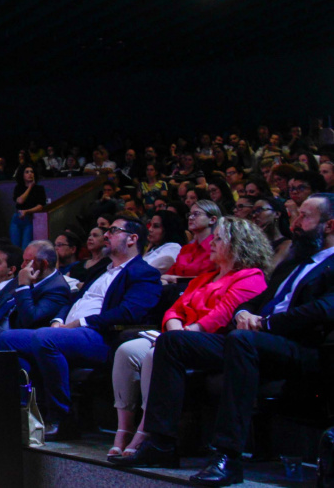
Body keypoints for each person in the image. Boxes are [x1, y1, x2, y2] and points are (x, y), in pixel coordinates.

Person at [111, 194, 334, 487]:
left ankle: (228, 456)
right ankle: (162, 444)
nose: (295, 223)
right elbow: (260, 300)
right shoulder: (296, 261)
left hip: (299, 346)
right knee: (172, 342)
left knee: (241, 340)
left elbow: (323, 309)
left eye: (305, 217)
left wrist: (266, 322)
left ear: (329, 225)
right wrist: (244, 312)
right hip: (258, 337)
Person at [107, 217, 272, 458]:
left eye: (218, 239)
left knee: (156, 352)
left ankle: (146, 431)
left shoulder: (250, 277)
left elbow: (223, 315)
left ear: (240, 244)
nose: (211, 243)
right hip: (179, 336)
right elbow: (175, 309)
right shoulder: (205, 277)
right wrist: (175, 331)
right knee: (127, 351)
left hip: (215, 342)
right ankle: (123, 429)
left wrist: (183, 335)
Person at [0, 217, 161, 439]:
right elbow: (72, 301)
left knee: (45, 339)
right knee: (8, 339)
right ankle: (31, 409)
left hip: (101, 336)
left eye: (113, 230)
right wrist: (58, 320)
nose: (106, 235)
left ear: (132, 239)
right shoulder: (101, 269)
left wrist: (80, 323)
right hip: (70, 330)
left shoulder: (144, 272)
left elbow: (130, 312)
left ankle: (62, 418)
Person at [162, 200, 222, 284]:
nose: (190, 217)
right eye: (190, 214)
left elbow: (211, 279)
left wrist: (174, 279)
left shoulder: (217, 248)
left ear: (212, 219)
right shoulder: (186, 249)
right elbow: (168, 274)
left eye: (196, 214)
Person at [10, 165, 47, 248]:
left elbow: (40, 206)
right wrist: (30, 187)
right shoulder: (18, 188)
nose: (30, 174)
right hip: (17, 218)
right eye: (27, 172)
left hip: (30, 219)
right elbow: (20, 201)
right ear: (22, 175)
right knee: (15, 246)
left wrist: (26, 211)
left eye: (32, 172)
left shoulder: (39, 189)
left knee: (25, 246)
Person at [251, 197, 292, 270]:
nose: (254, 215)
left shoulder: (287, 244)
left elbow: (268, 271)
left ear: (277, 214)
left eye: (259, 210)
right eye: (253, 212)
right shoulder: (254, 243)